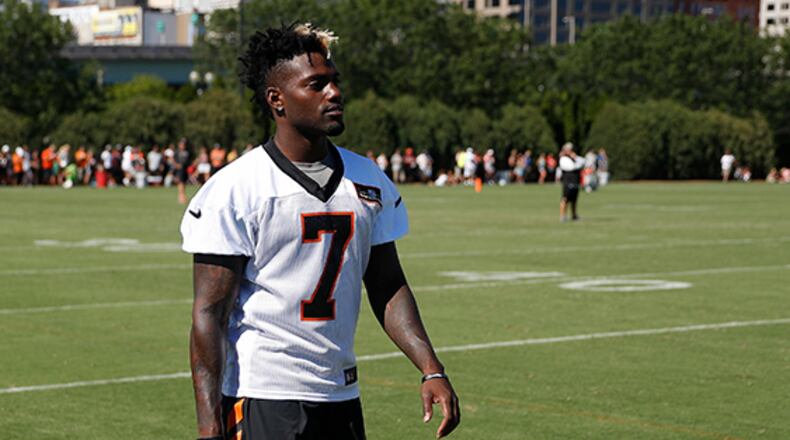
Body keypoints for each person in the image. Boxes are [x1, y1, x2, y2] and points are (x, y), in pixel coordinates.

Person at [180, 23, 460, 440]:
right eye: (316, 85)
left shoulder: (368, 179)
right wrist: (209, 426)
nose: (334, 93)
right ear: (277, 100)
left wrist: (430, 367)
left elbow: (386, 284)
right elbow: (208, 313)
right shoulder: (236, 187)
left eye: (334, 82)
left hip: (340, 392)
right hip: (263, 394)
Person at [558, 142, 585, 222]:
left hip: (575, 181)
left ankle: (574, 215)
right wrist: (577, 163)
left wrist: (575, 157)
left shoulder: (574, 158)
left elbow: (583, 161)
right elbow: (571, 167)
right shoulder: (563, 158)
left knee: (574, 199)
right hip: (568, 181)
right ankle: (562, 215)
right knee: (565, 199)